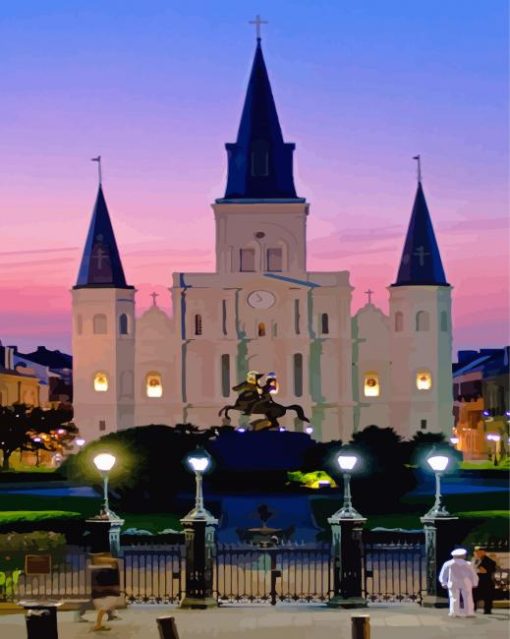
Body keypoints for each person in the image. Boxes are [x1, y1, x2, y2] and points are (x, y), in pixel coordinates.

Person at [439, 548, 479, 617]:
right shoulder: (468, 564)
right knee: (468, 597)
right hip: (466, 582)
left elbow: (443, 574)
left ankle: (454, 613)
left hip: (453, 582)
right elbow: (473, 574)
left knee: (454, 598)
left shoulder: (448, 563)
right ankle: (469, 612)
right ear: (463, 556)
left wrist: (443, 582)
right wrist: (475, 583)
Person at [472, 546, 497, 614]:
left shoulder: (489, 561)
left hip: (486, 582)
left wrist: (477, 568)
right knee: (474, 595)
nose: (476, 553)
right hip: (476, 581)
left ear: (483, 552)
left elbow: (485, 571)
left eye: (478, 552)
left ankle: (487, 610)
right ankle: (472, 608)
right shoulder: (474, 560)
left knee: (487, 597)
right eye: (475, 552)